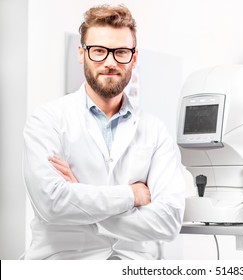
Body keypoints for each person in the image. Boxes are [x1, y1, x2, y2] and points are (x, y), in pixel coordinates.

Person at [22, 4, 186, 260]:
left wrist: (83, 201)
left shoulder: (155, 131)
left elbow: (168, 221)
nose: (110, 62)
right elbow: (52, 204)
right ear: (81, 53)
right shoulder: (47, 120)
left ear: (134, 57)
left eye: (120, 52)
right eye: (99, 51)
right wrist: (132, 195)